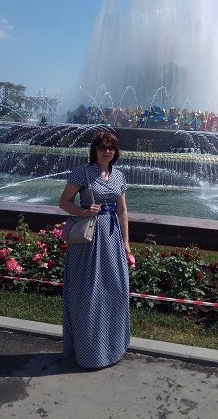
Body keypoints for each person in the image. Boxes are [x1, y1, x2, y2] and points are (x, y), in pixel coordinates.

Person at [58, 130, 132, 369]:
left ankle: (113, 347)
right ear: (95, 150)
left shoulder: (119, 176)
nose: (107, 151)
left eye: (111, 147)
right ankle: (89, 352)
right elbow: (63, 201)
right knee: (88, 292)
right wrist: (83, 211)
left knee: (116, 290)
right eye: (102, 147)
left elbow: (122, 210)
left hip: (112, 237)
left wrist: (126, 243)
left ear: (116, 152)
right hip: (88, 240)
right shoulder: (82, 173)